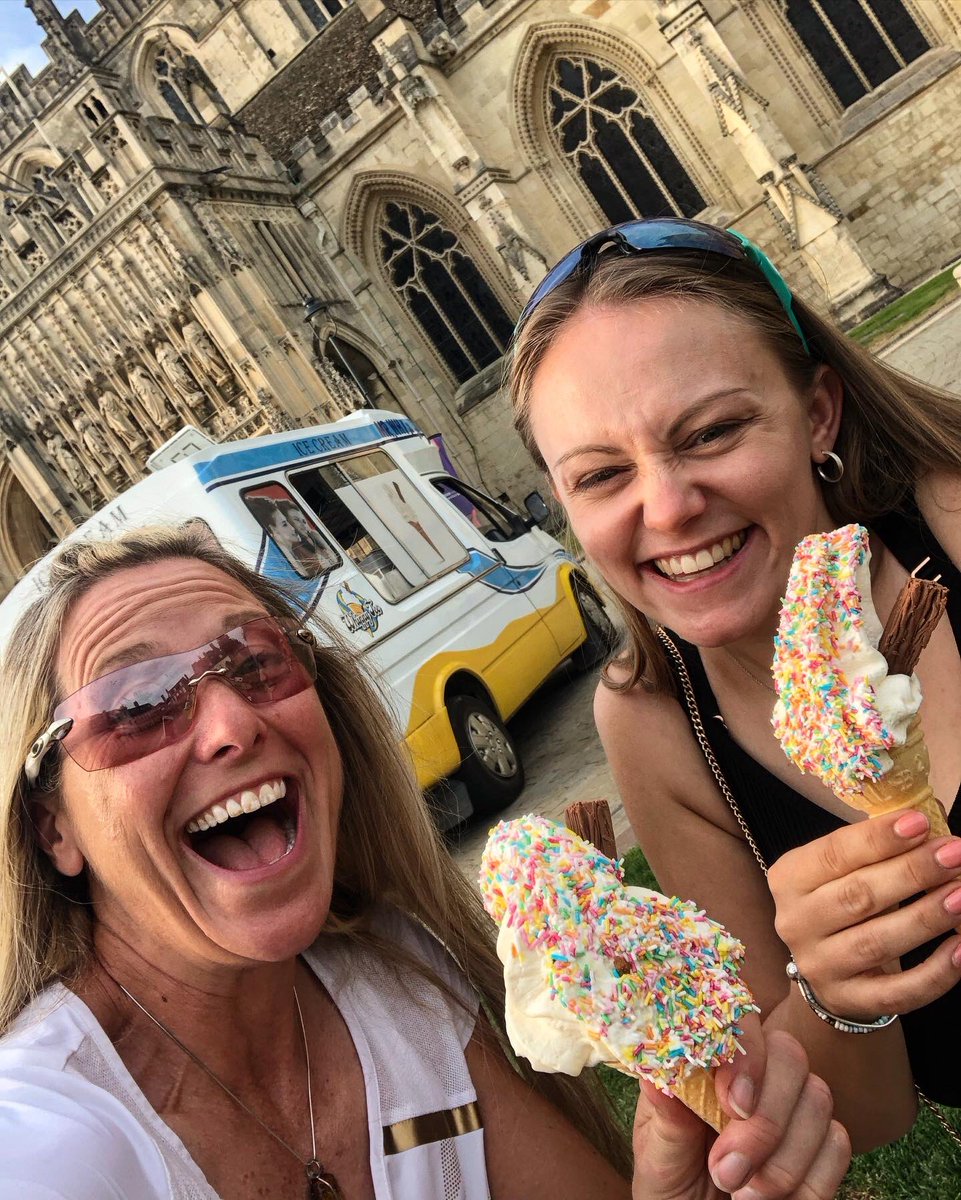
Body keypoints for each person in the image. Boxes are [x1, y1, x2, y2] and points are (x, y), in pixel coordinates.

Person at [0, 523, 849, 1198]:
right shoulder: (41, 1143)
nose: (231, 725)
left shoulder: (392, 982)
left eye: (256, 662)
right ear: (52, 829)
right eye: (138, 703)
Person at [507, 216, 961, 1152]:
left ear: (818, 415)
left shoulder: (951, 514)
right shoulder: (652, 719)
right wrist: (829, 991)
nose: (667, 507)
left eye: (710, 432)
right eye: (600, 476)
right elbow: (867, 1119)